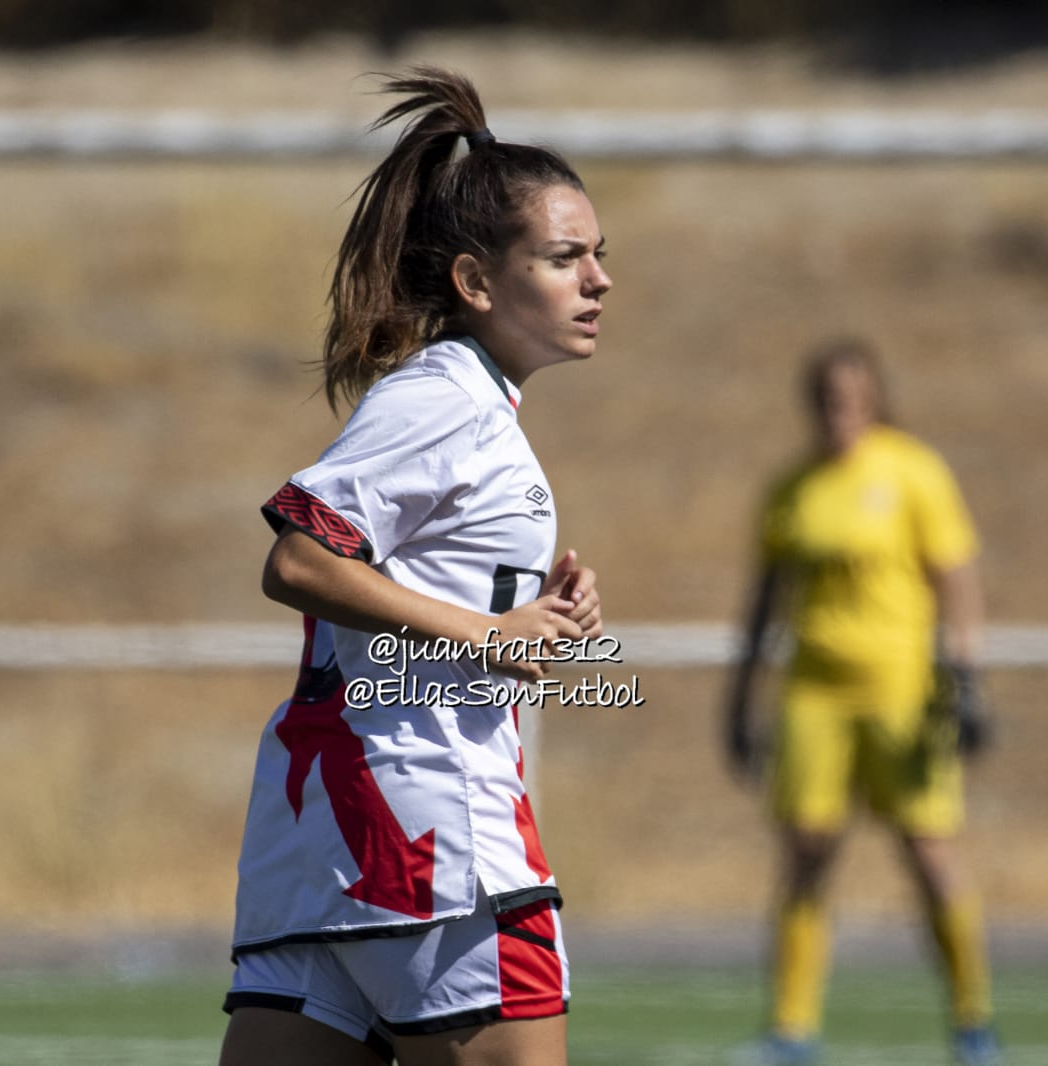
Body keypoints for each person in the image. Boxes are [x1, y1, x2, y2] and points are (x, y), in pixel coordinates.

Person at [218, 67, 612, 1066]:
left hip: (324, 839)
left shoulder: (469, 406)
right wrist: (490, 630)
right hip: (432, 840)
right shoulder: (446, 400)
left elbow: (397, 594)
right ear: (477, 282)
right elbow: (301, 558)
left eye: (599, 256)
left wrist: (532, 617)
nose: (599, 280)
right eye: (566, 258)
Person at [726, 338, 1001, 1066]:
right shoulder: (793, 488)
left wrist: (966, 677)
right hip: (814, 694)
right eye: (825, 399)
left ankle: (974, 1022)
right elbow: (765, 598)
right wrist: (739, 698)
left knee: (930, 852)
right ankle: (792, 1030)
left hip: (902, 693)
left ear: (874, 399)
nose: (839, 411)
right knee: (807, 854)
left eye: (851, 397)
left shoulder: (913, 471)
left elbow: (956, 578)